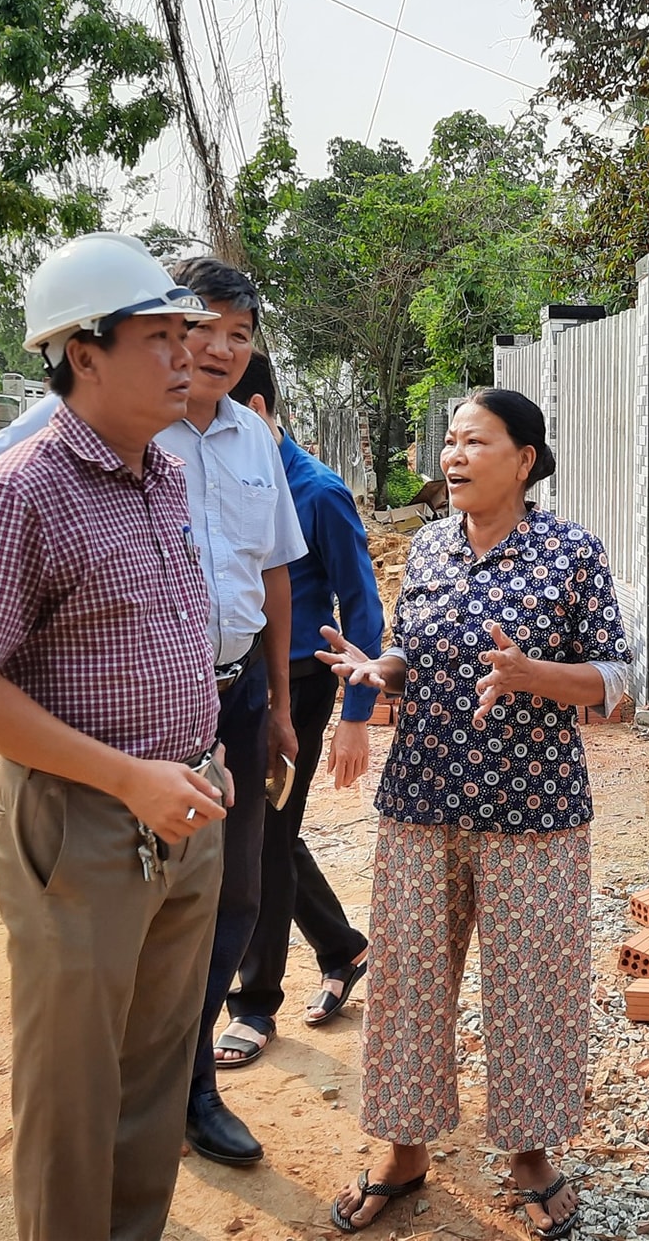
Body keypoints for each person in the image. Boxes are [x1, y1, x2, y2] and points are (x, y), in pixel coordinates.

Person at [0, 258, 308, 1171]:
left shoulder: (170, 471)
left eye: (208, 336)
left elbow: (261, 576)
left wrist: (255, 720)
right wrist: (126, 775)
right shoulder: (26, 484)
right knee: (77, 1076)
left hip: (199, 763)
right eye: (166, 338)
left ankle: (174, 1136)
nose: (196, 356)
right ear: (82, 353)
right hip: (90, 804)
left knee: (158, 1052)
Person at [317, 389, 633, 1239]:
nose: (453, 458)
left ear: (525, 460)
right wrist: (378, 668)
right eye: (450, 443)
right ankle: (405, 1148)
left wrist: (537, 675)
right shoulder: (425, 549)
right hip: (422, 798)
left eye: (476, 443)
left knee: (532, 985)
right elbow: (416, 654)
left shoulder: (572, 554)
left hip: (534, 808)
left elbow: (620, 685)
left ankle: (530, 1154)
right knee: (411, 980)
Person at [220, 351, 376, 1059]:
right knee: (259, 832)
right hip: (231, 682)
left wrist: (354, 714)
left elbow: (363, 608)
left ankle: (254, 1003)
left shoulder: (318, 492)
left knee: (263, 840)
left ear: (252, 412)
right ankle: (342, 949)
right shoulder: (225, 483)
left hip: (300, 688)